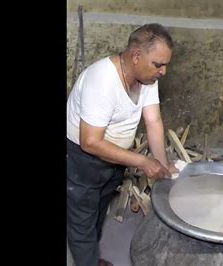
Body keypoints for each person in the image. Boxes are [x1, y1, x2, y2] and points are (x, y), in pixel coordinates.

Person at [67, 23, 178, 266]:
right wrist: (142, 161)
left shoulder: (147, 79)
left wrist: (162, 164)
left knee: (98, 211)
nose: (164, 71)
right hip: (83, 159)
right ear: (137, 55)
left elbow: (153, 120)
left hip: (116, 158)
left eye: (166, 64)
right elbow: (90, 142)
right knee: (82, 220)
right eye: (158, 64)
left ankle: (91, 260)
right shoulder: (102, 81)